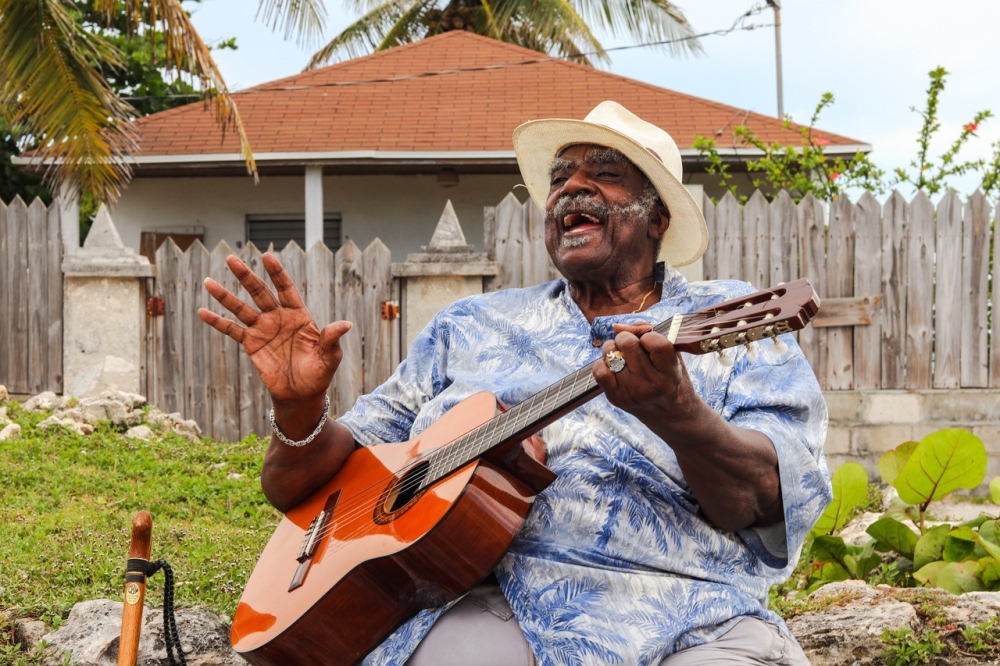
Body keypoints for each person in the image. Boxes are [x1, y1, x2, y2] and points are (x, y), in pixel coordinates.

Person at [200, 101, 832, 666]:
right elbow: (302, 488)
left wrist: (677, 414)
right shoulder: (468, 325)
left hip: (687, 615)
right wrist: (300, 407)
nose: (571, 188)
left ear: (657, 216)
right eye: (559, 179)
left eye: (604, 173)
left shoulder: (728, 320)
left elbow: (765, 499)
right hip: (488, 609)